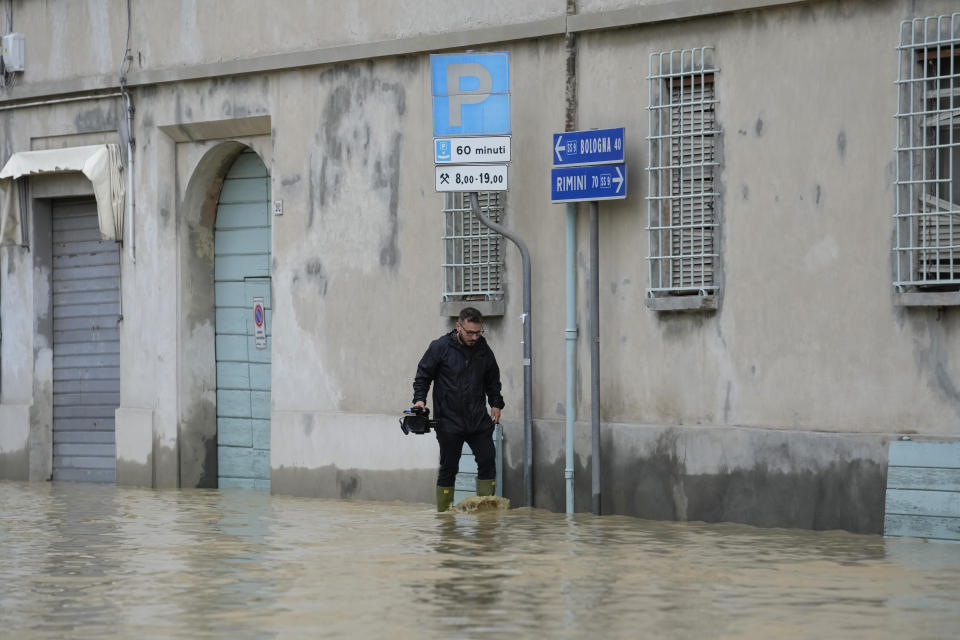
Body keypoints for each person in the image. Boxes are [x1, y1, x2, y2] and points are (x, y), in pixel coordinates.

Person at [412, 307, 505, 512]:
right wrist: (420, 401)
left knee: (488, 461)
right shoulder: (440, 347)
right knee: (449, 468)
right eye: (470, 332)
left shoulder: (483, 349)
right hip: (448, 421)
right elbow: (423, 376)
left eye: (478, 332)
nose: (474, 337)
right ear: (458, 326)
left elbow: (492, 379)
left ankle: (485, 517)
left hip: (478, 420)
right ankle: (445, 518)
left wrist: (496, 403)